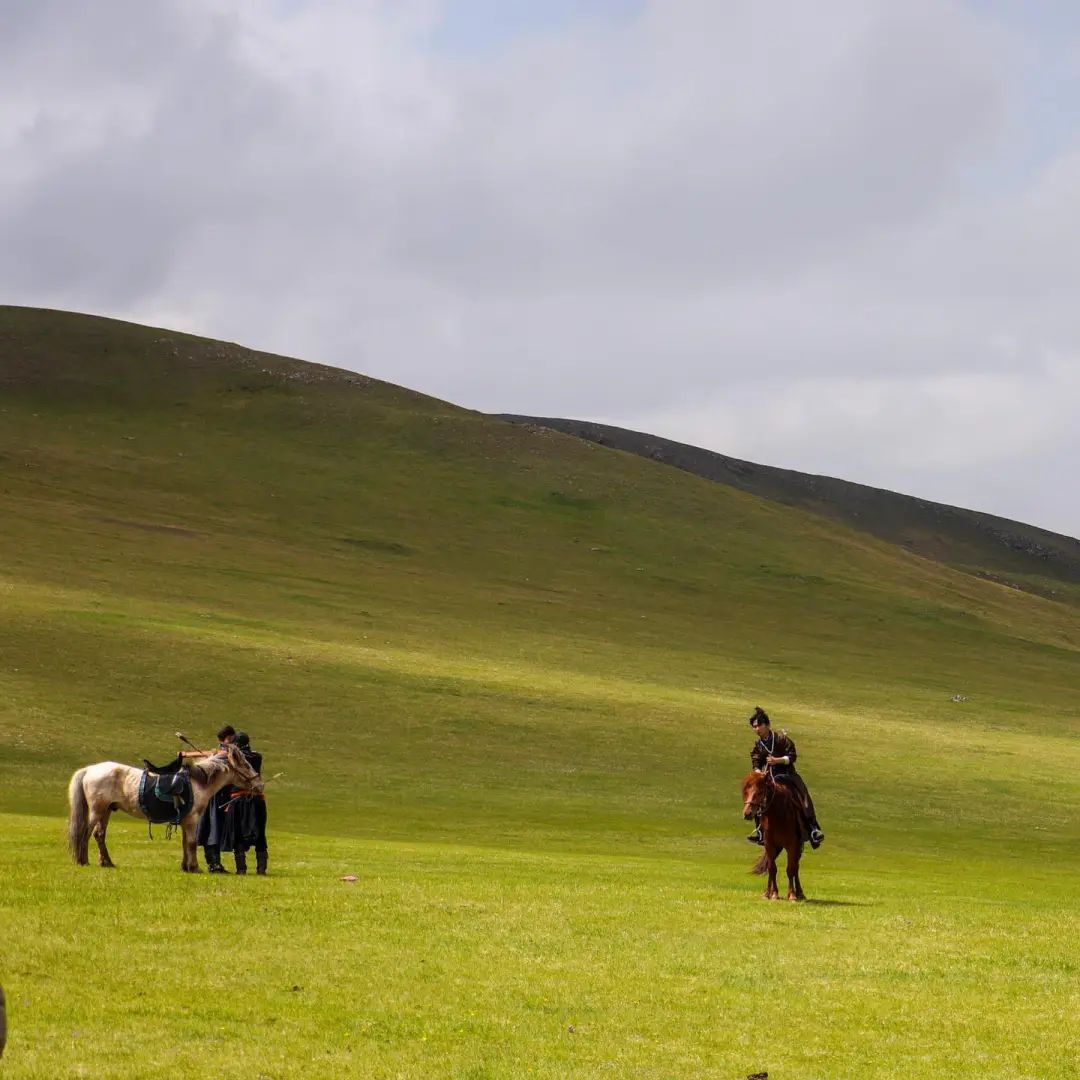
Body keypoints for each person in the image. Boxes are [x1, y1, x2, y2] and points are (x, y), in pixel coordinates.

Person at [746, 706, 824, 849]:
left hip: (787, 775)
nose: (757, 729)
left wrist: (778, 760)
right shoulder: (758, 746)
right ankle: (759, 831)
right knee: (757, 798)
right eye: (754, 727)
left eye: (759, 725)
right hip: (770, 778)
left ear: (767, 725)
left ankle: (813, 828)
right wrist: (759, 772)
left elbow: (792, 756)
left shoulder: (781, 739)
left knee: (803, 795)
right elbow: (756, 762)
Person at [182, 724, 236, 873]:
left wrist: (188, 754)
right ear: (227, 739)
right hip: (216, 797)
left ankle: (213, 863)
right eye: (231, 738)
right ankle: (214, 864)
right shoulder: (225, 753)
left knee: (211, 829)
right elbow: (221, 754)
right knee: (213, 830)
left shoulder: (222, 752)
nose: (233, 742)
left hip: (215, 796)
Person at [221, 731, 268, 875]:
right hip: (257, 800)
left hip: (238, 800)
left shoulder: (232, 758)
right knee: (260, 834)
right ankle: (261, 869)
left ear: (236, 745)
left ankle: (241, 869)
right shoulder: (257, 756)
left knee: (238, 834)